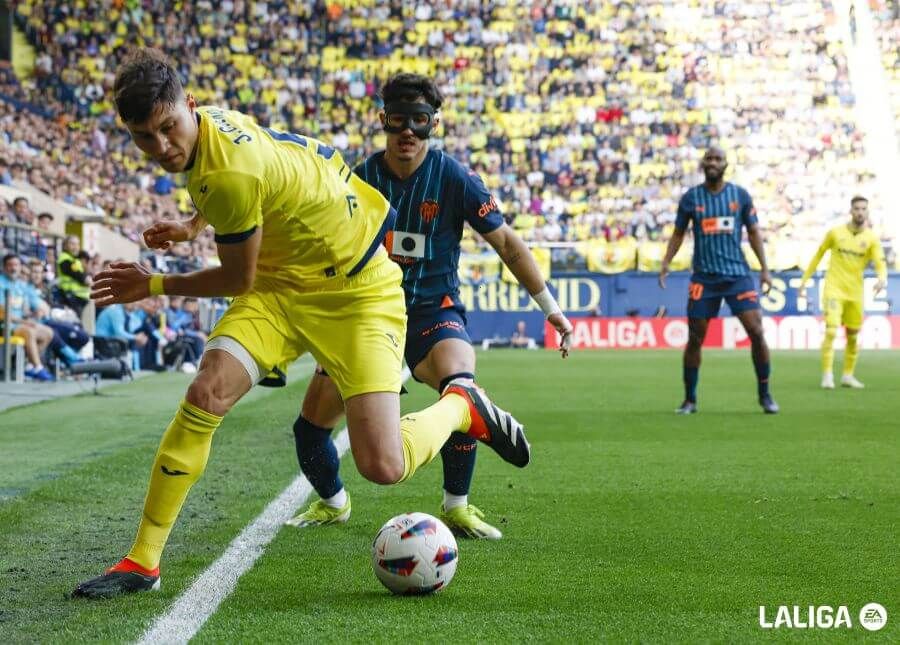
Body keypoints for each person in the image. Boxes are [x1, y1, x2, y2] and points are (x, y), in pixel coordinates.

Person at [72, 48, 530, 598]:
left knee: (382, 465)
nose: (163, 147)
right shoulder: (211, 128)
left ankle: (463, 406)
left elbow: (236, 273)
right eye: (145, 137)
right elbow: (239, 185)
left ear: (189, 106)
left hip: (355, 290)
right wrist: (195, 225)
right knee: (206, 392)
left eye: (169, 128)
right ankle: (142, 561)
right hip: (281, 284)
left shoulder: (229, 172)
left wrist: (151, 285)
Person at [286, 74, 573, 539]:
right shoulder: (359, 180)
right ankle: (333, 502)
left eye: (419, 122)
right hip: (366, 315)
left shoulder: (454, 177)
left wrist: (549, 307)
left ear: (434, 124)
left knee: (461, 388)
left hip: (432, 310)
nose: (408, 133)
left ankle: (456, 505)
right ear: (383, 120)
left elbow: (507, 244)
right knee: (310, 428)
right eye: (398, 121)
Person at [658, 146, 779, 414]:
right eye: (709, 159)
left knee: (757, 332)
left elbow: (755, 232)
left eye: (718, 159)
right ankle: (690, 399)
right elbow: (678, 234)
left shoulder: (740, 196)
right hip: (704, 277)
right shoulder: (691, 198)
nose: (713, 162)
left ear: (726, 164)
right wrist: (666, 261)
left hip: (738, 275)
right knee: (695, 338)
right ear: (703, 164)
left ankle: (765, 394)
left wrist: (765, 269)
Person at [798, 196, 887, 389]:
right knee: (831, 331)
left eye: (864, 208)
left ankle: (848, 375)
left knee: (853, 336)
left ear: (868, 211)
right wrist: (804, 280)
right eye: (857, 208)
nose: (860, 212)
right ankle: (827, 375)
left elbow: (880, 262)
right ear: (851, 211)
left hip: (855, 292)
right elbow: (818, 255)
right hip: (834, 289)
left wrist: (882, 279)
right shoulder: (835, 233)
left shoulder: (871, 238)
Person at [57, 235, 91, 315]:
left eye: (77, 244)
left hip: (79, 298)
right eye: (72, 244)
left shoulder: (74, 259)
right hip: (72, 297)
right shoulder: (65, 258)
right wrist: (86, 279)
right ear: (65, 246)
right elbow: (78, 275)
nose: (75, 247)